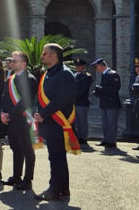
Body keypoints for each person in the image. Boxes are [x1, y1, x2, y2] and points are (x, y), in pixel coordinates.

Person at [33, 43, 79, 201]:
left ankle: (53, 190)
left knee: (56, 157)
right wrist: (36, 112)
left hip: (58, 123)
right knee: (58, 156)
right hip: (49, 122)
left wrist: (43, 114)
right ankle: (63, 188)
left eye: (45, 54)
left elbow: (61, 99)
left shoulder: (65, 74)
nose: (42, 56)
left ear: (54, 56)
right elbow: (39, 96)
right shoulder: (49, 73)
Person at [1, 52, 38, 190]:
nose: (12, 62)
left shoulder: (30, 79)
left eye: (14, 61)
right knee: (15, 148)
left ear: (23, 64)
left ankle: (27, 180)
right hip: (11, 120)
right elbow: (4, 98)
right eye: (11, 60)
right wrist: (2, 113)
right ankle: (16, 176)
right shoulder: (11, 78)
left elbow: (25, 101)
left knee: (27, 150)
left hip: (24, 120)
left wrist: (9, 115)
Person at [91, 58, 121, 149]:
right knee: (105, 122)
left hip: (111, 102)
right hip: (104, 102)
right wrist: (98, 92)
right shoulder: (104, 75)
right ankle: (106, 139)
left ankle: (112, 141)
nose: (96, 69)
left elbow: (115, 88)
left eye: (96, 67)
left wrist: (101, 89)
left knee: (111, 122)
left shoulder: (112, 74)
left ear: (101, 65)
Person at [72, 58, 92, 145]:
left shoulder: (87, 76)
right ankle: (78, 136)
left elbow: (83, 89)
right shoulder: (75, 75)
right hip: (74, 102)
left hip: (82, 101)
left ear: (83, 67)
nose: (77, 67)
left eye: (79, 66)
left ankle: (83, 137)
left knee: (82, 121)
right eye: (76, 66)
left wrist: (73, 95)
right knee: (76, 121)